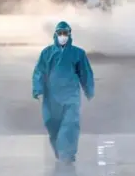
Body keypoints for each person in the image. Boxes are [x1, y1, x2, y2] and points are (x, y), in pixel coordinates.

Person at [32, 21, 95, 163]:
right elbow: (39, 72)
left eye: (65, 33)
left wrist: (88, 90)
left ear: (69, 35)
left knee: (70, 124)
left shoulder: (78, 53)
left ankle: (67, 153)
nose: (62, 36)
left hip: (71, 95)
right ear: (55, 35)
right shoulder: (47, 53)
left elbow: (85, 73)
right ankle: (61, 152)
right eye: (60, 33)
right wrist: (38, 90)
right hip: (51, 97)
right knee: (52, 125)